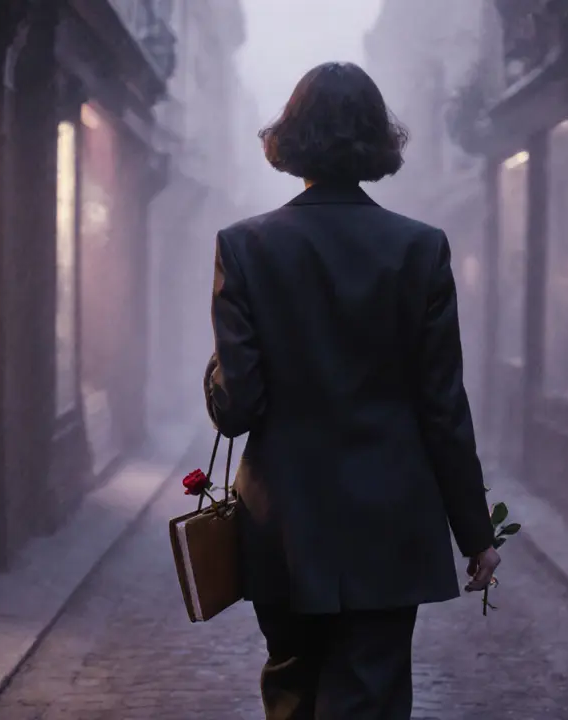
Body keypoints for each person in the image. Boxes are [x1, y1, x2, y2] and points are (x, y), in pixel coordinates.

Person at [203, 61, 500, 720]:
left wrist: (217, 368)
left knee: (292, 690)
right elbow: (442, 408)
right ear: (377, 142)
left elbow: (237, 407)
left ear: (291, 139)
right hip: (390, 523)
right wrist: (474, 533)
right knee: (372, 696)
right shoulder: (419, 250)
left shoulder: (245, 246)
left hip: (284, 524)